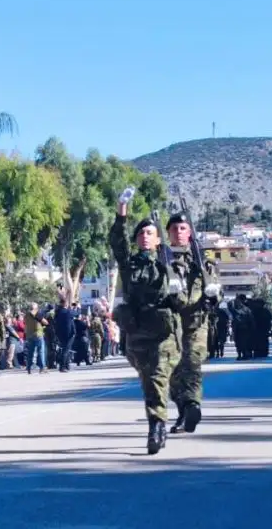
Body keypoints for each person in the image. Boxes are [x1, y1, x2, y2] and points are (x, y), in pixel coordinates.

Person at [109, 187, 182, 455]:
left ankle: (156, 426)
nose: (144, 237)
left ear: (159, 240)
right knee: (149, 380)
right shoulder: (130, 263)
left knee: (156, 377)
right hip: (137, 333)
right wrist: (121, 209)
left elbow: (182, 299)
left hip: (163, 334)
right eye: (140, 233)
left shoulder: (169, 263)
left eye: (149, 233)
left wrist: (177, 289)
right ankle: (160, 413)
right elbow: (117, 241)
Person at [164, 212, 219, 435]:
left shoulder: (204, 262)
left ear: (190, 233)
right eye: (174, 228)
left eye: (183, 228)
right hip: (169, 324)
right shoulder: (161, 260)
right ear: (167, 233)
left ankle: (193, 405)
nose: (179, 232)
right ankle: (184, 409)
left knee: (192, 366)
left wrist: (214, 293)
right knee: (173, 373)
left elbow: (216, 289)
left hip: (196, 323)